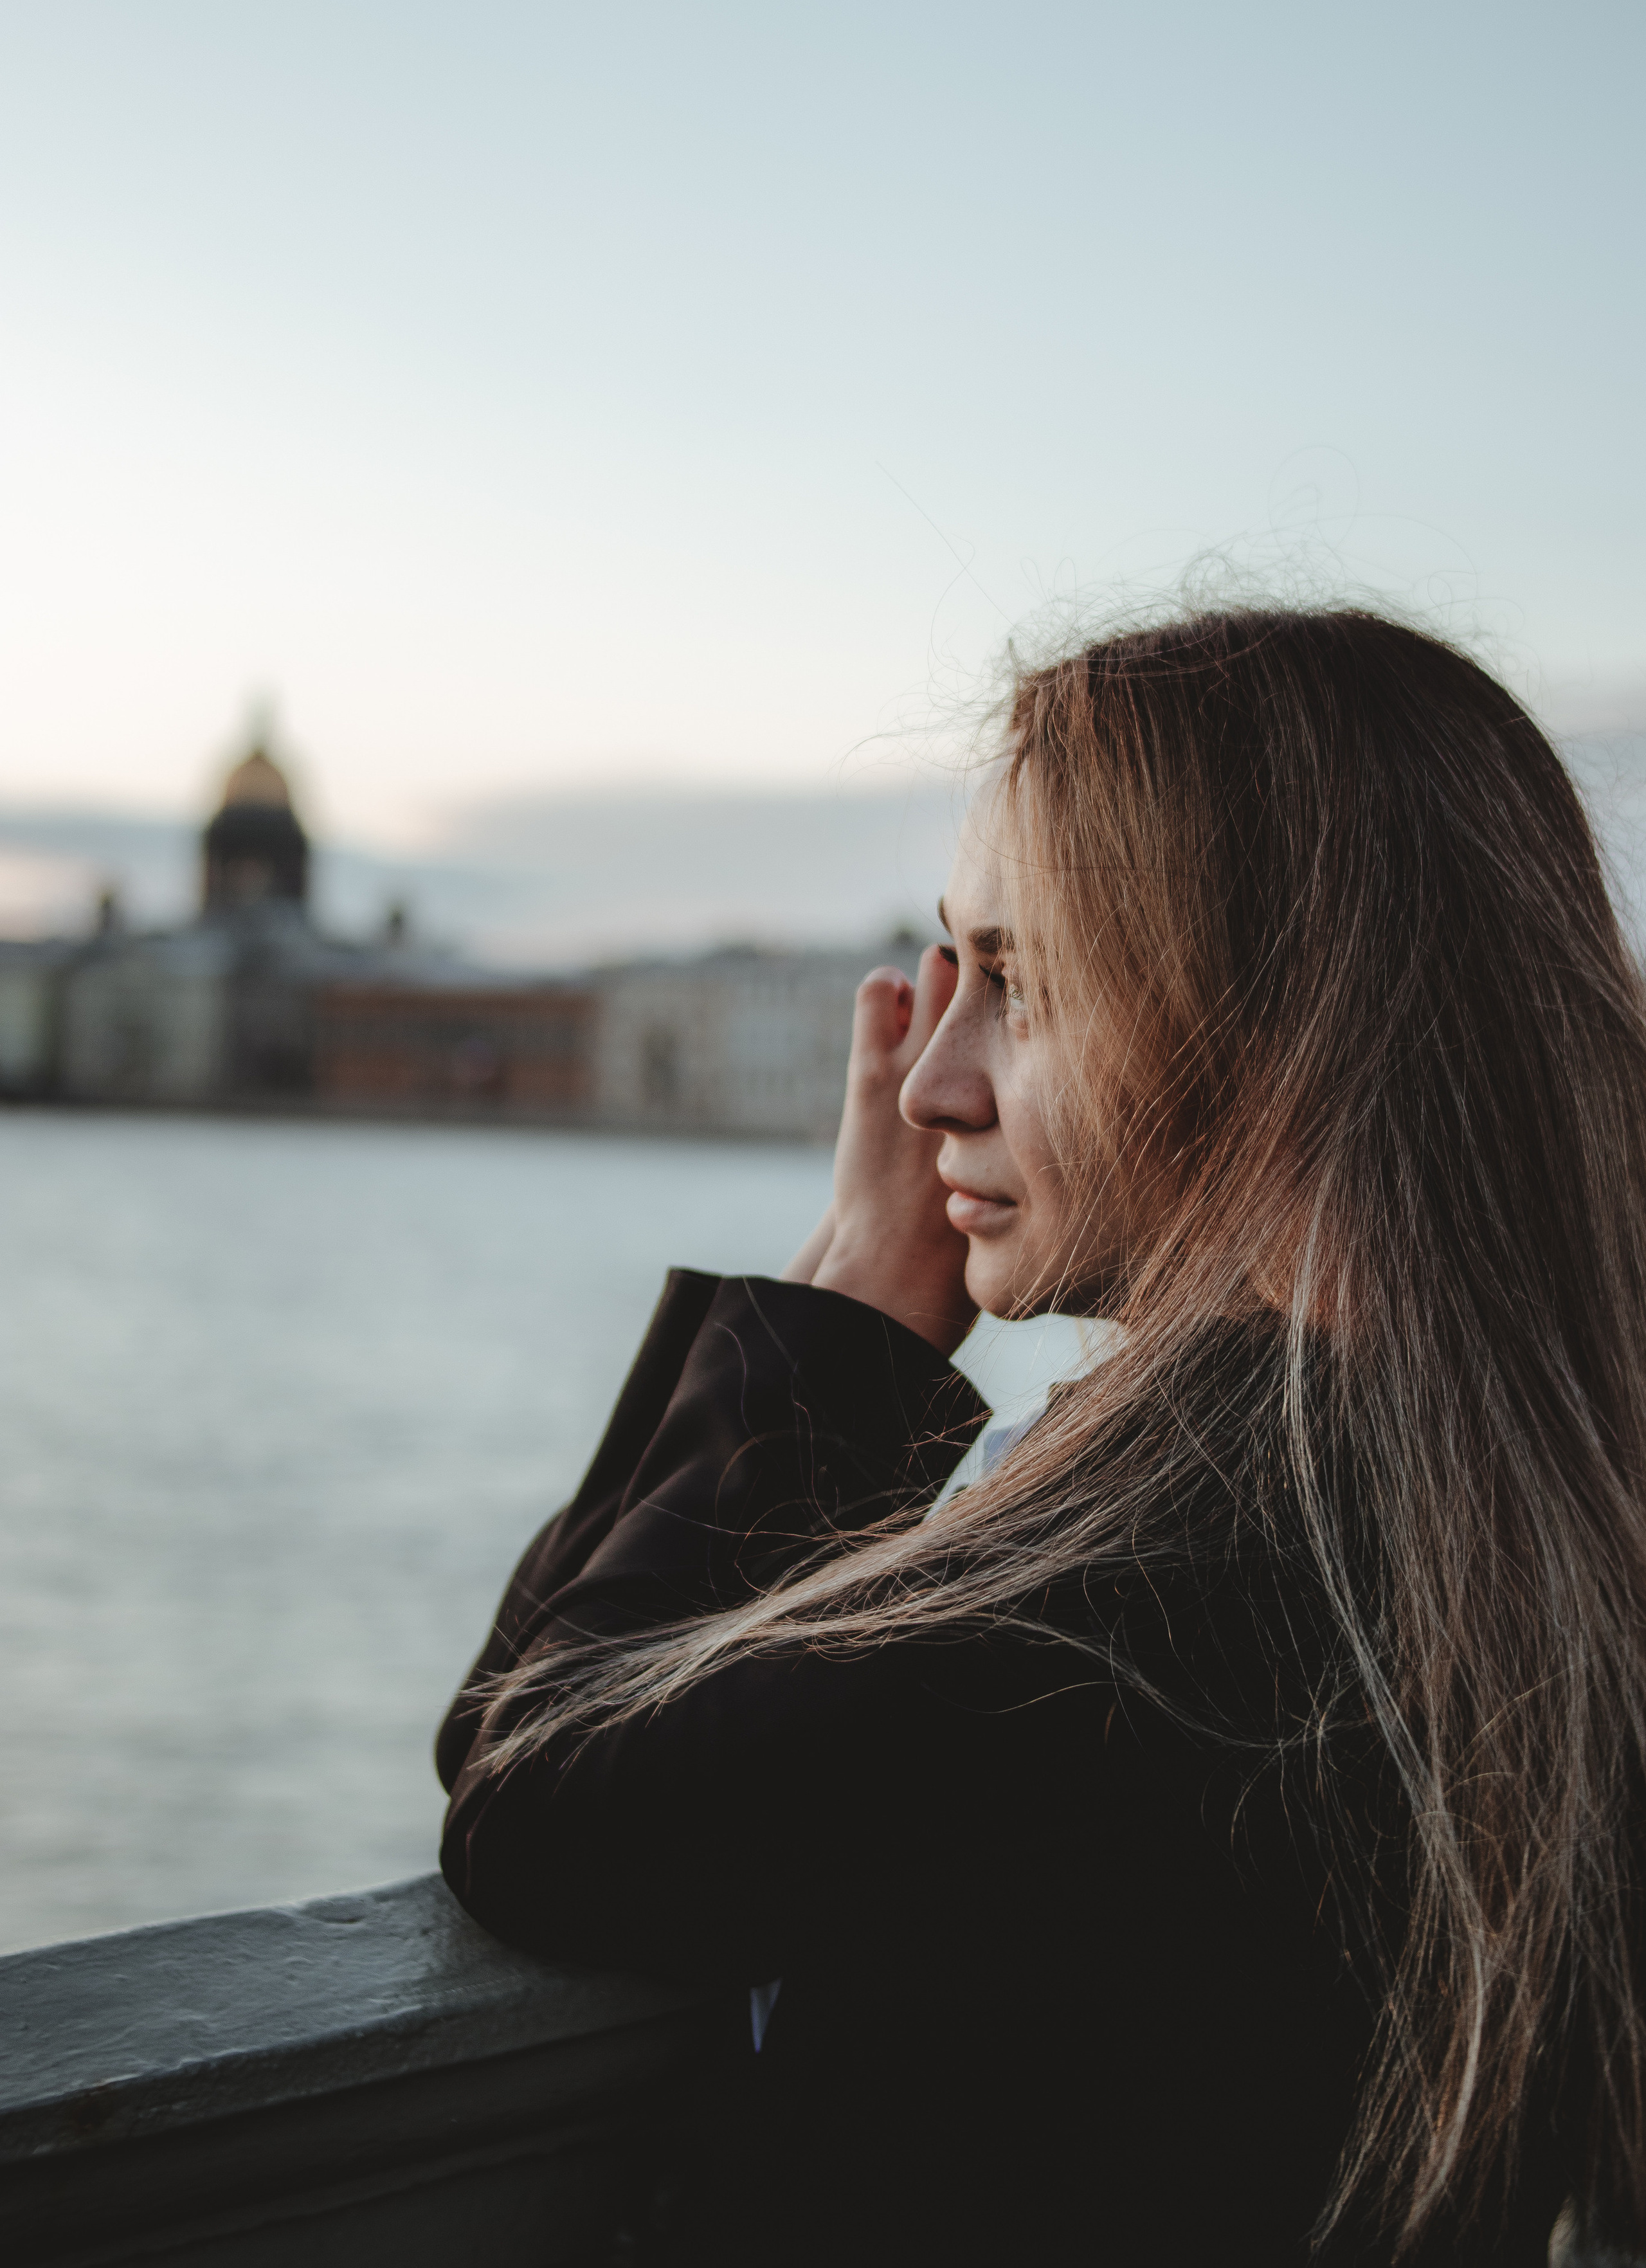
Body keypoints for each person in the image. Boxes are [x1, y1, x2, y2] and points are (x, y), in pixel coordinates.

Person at [437, 607, 1646, 2266]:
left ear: (1271, 1022)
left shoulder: (1185, 1570)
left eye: (1018, 984)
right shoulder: (1510, 1499)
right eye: (952, 972)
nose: (932, 1084)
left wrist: (854, 1311)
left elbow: (538, 1797)